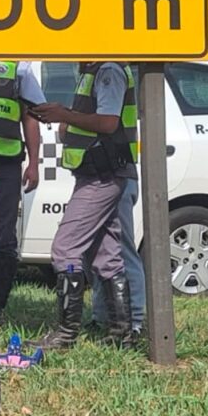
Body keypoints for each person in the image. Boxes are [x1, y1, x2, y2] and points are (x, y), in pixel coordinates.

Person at [30, 61, 138, 349]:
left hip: (102, 175)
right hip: (95, 173)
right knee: (108, 255)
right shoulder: (90, 71)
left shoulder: (108, 70)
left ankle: (66, 335)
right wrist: (64, 119)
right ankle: (121, 336)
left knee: (65, 249)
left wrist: (64, 114)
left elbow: (108, 122)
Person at [0, 61, 44, 315]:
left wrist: (34, 164)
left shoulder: (20, 68)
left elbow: (30, 117)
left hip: (6, 163)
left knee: (4, 240)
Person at [90, 178, 146, 336]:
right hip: (102, 177)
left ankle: (134, 321)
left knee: (122, 249)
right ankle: (101, 316)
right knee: (100, 252)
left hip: (119, 176)